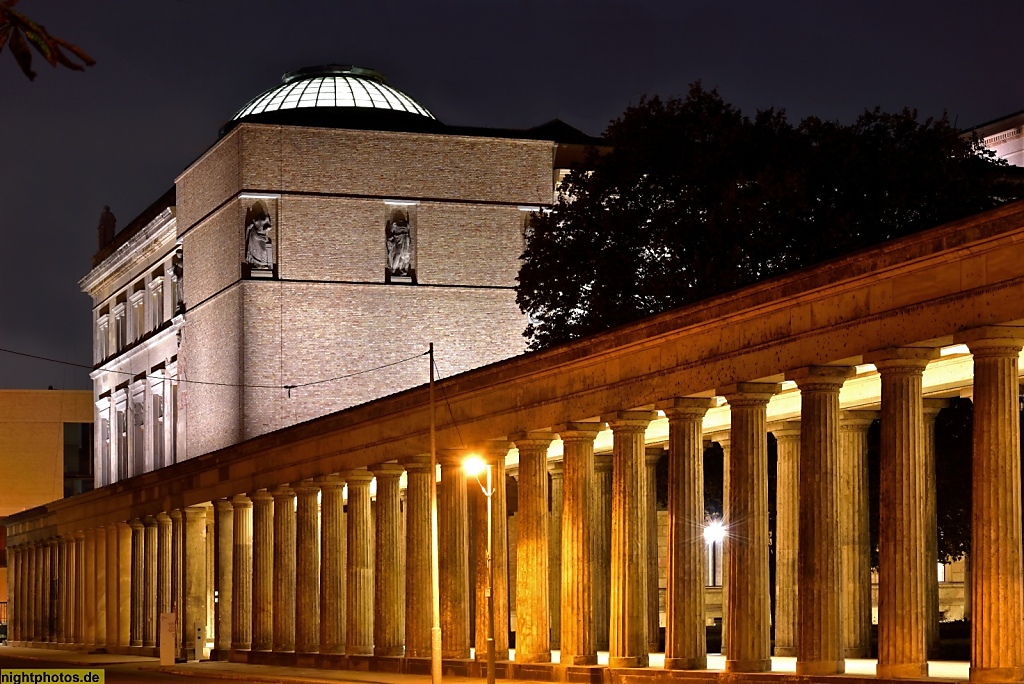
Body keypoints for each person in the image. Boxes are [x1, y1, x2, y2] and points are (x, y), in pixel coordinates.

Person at [245, 201, 274, 269]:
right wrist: (249, 227)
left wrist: (265, 228)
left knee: (264, 251)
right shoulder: (255, 218)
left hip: (262, 236)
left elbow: (269, 227)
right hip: (254, 236)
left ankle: (263, 263)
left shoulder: (266, 218)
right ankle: (256, 263)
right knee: (254, 249)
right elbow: (250, 227)